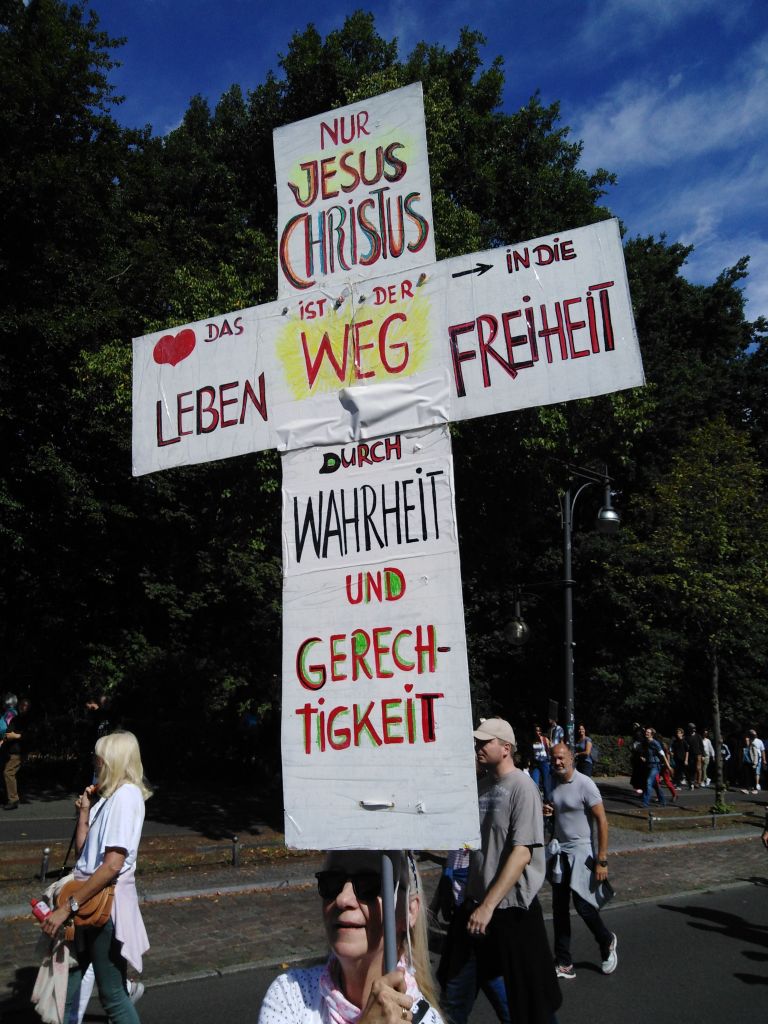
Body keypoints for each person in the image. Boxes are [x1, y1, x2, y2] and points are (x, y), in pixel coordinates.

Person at [440, 717, 561, 1024]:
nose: (478, 747)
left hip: (510, 912)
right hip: (473, 909)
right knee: (453, 997)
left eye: (485, 742)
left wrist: (488, 906)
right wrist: (449, 888)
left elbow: (522, 853)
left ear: (506, 748)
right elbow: (467, 847)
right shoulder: (481, 787)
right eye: (477, 742)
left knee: (531, 1004)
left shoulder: (522, 787)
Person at [40, 731, 151, 1023]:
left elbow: (112, 865)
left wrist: (67, 907)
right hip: (90, 900)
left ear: (112, 760)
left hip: (103, 906)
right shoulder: (109, 798)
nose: (94, 762)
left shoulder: (126, 796)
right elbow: (84, 855)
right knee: (68, 983)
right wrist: (85, 812)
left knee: (112, 995)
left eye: (97, 757)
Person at [258, 849, 443, 1024]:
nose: (342, 899)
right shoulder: (292, 995)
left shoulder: (428, 1020)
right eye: (332, 881)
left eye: (369, 884)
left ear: (409, 911)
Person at [545, 743, 617, 980]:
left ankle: (606, 940)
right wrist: (548, 811)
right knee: (559, 909)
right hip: (560, 853)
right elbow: (558, 813)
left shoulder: (585, 784)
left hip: (581, 852)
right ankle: (564, 962)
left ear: (571, 758)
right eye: (554, 758)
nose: (557, 762)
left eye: (561, 758)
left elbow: (602, 821)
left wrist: (602, 859)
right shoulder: (552, 782)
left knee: (584, 906)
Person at [3, 695, 30, 810]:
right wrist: (8, 737)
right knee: (10, 772)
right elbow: (8, 732)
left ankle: (13, 799)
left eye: (25, 706)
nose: (23, 707)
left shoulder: (29, 720)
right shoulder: (15, 719)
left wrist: (16, 736)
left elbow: (30, 735)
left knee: (8, 772)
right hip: (11, 750)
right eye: (21, 705)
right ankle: (13, 795)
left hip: (19, 752)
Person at [640, 727, 669, 808]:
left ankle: (645, 803)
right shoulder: (646, 742)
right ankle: (663, 801)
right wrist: (643, 757)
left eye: (648, 732)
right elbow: (647, 752)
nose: (646, 733)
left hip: (656, 765)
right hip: (649, 765)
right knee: (655, 785)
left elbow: (663, 754)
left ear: (652, 734)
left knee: (648, 782)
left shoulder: (655, 743)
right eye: (646, 732)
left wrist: (668, 766)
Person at [530, 724, 553, 803]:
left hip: (544, 762)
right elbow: (531, 752)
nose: (538, 732)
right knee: (535, 782)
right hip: (536, 763)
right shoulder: (532, 740)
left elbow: (549, 750)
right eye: (536, 730)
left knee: (546, 783)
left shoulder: (545, 739)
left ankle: (547, 801)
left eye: (539, 730)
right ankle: (536, 800)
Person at [686, 723, 704, 789]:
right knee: (692, 768)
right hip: (691, 755)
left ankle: (698, 782)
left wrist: (703, 755)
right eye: (692, 728)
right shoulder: (687, 737)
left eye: (694, 728)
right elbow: (686, 746)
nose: (694, 729)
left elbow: (701, 746)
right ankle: (693, 781)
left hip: (698, 754)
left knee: (698, 768)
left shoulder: (698, 736)